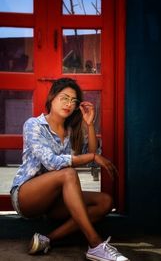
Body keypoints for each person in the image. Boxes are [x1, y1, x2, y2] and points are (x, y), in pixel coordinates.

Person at [10, 78, 129, 261]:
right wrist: (92, 157)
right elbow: (51, 162)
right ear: (52, 97)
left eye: (73, 101)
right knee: (68, 173)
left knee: (105, 201)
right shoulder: (34, 125)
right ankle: (95, 244)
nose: (69, 104)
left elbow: (91, 155)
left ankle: (48, 239)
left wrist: (89, 124)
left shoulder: (72, 130)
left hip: (55, 201)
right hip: (27, 196)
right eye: (64, 98)